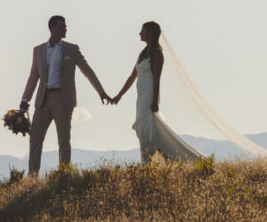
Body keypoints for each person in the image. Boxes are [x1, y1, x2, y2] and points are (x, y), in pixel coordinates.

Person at [19, 14, 110, 176]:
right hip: (43, 99)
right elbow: (33, 76)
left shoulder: (72, 49)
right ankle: (32, 177)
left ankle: (64, 174)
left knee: (63, 139)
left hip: (63, 99)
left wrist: (101, 91)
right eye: (61, 26)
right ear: (52, 28)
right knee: (35, 140)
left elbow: (87, 71)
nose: (65, 29)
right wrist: (25, 99)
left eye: (65, 26)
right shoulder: (39, 50)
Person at [109, 21, 202, 162]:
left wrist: (154, 101)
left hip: (149, 96)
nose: (140, 34)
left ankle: (150, 160)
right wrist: (119, 95)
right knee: (143, 129)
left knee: (148, 129)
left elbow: (157, 79)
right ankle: (161, 159)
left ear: (150, 33)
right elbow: (132, 77)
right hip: (140, 97)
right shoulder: (142, 54)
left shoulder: (157, 54)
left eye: (143, 31)